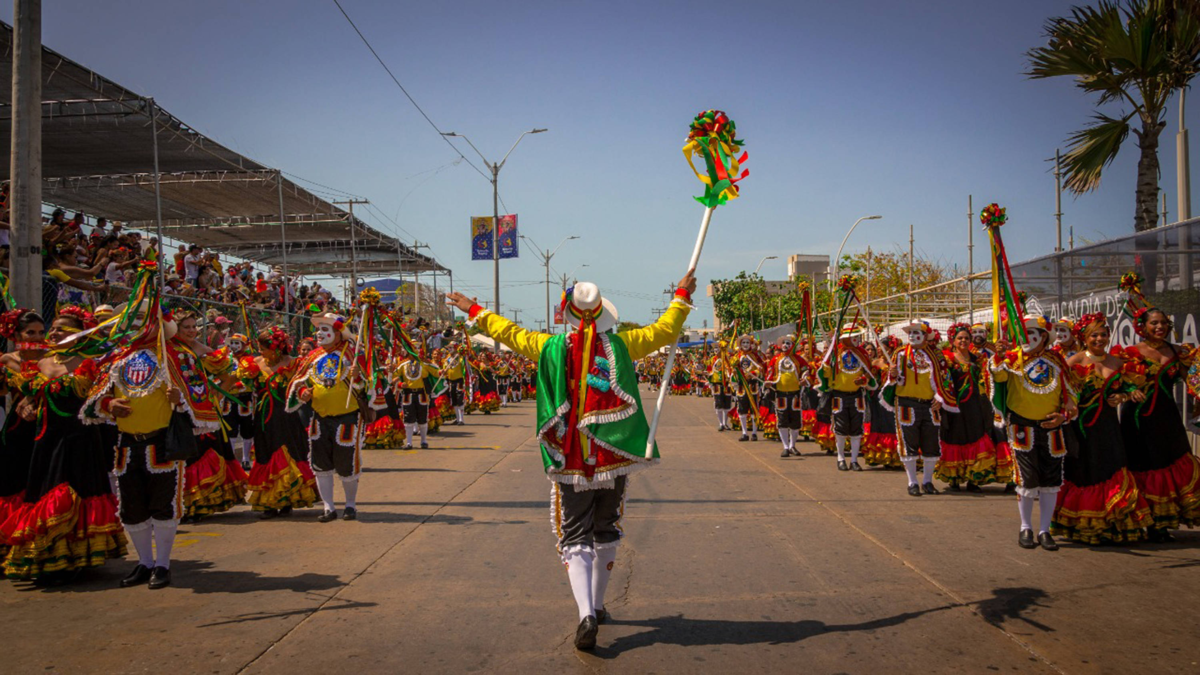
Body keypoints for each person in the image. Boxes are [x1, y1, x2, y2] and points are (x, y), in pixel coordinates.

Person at [445, 271, 694, 651]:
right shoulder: (624, 345)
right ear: (600, 312)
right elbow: (664, 330)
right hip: (612, 456)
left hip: (570, 456)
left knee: (575, 532)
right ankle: (596, 604)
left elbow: (510, 333)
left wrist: (474, 309)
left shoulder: (549, 346)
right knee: (605, 526)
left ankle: (586, 614)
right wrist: (681, 295)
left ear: (568, 314)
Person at [83, 298, 222, 589]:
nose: (135, 325)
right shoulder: (117, 359)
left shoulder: (177, 357)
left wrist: (180, 402)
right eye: (131, 319)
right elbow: (93, 402)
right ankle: (144, 562)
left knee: (163, 505)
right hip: (126, 444)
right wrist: (110, 403)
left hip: (162, 442)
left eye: (142, 319)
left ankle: (163, 564)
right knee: (132, 506)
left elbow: (201, 397)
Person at [1, 308, 127, 582]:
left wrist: (110, 404)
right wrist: (27, 402)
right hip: (46, 441)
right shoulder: (41, 363)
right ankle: (50, 556)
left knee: (77, 490)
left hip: (80, 439)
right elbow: (29, 393)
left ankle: (78, 556)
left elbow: (100, 397)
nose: (54, 333)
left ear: (79, 335)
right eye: (53, 329)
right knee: (44, 493)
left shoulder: (88, 363)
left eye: (62, 329)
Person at [1054, 314, 1152, 544]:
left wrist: (1123, 395)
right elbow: (1059, 392)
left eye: (1103, 334)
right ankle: (1084, 526)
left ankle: (1112, 524)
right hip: (1081, 428)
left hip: (1108, 428)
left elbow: (1133, 389)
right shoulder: (1074, 362)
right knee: (1084, 471)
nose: (1099, 339)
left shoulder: (1118, 363)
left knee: (1112, 469)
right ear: (1084, 338)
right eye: (1093, 335)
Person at [991, 316, 1077, 551]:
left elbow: (1071, 395)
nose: (1027, 339)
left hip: (1052, 428)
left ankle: (1045, 530)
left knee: (1051, 480)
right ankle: (1026, 527)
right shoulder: (1011, 360)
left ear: (1043, 338)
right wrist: (999, 355)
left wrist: (1064, 416)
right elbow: (997, 375)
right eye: (1024, 334)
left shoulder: (1056, 361)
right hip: (1022, 428)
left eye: (1032, 334)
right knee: (1027, 479)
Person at [1117, 301, 1200, 542]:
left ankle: (1162, 523)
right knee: (1144, 464)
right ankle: (1144, 521)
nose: (1160, 326)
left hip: (1166, 418)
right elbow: (1118, 383)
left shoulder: (1177, 352)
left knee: (1170, 462)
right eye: (1154, 323)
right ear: (1142, 326)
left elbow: (1193, 384)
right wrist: (1130, 389)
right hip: (1137, 417)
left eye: (1164, 323)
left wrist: (1198, 397)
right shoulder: (1129, 353)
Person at [286, 312, 374, 522]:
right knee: (320, 463)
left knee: (347, 463)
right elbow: (298, 382)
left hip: (347, 417)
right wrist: (302, 394)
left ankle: (350, 506)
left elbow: (368, 388)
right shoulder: (312, 356)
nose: (320, 333)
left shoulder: (351, 355)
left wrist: (358, 378)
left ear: (338, 333)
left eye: (326, 329)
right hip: (320, 417)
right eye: (319, 329)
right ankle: (328, 507)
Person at [240, 326, 317, 519]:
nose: (260, 352)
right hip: (264, 418)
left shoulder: (294, 363)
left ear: (276, 348)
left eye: (263, 348)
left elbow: (305, 384)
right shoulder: (254, 364)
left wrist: (306, 393)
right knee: (265, 455)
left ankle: (288, 500)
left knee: (291, 451)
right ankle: (269, 503)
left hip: (288, 417)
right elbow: (236, 382)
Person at [884, 320, 958, 496]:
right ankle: (912, 482)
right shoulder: (900, 354)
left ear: (925, 336)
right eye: (910, 333)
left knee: (931, 442)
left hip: (930, 404)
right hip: (906, 403)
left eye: (917, 333)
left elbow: (946, 379)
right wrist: (892, 375)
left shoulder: (937, 355)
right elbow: (894, 380)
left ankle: (927, 481)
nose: (913, 336)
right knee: (909, 442)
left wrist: (941, 398)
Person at [935, 323, 1001, 492]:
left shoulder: (977, 359)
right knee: (954, 437)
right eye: (960, 338)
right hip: (953, 406)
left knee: (976, 436)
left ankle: (974, 478)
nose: (963, 341)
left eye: (966, 338)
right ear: (953, 340)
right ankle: (954, 478)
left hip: (975, 405)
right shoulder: (946, 359)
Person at [0, 310, 46, 541]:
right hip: (18, 428)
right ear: (16, 334)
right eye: (30, 332)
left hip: (47, 426)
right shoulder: (8, 360)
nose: (37, 337)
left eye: (41, 332)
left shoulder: (54, 357)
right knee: (13, 482)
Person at [818, 324, 878, 471]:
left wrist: (863, 380)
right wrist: (826, 366)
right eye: (854, 337)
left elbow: (869, 373)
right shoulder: (835, 354)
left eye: (858, 337)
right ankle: (840, 458)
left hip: (857, 396)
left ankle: (854, 460)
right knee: (841, 427)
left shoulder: (862, 353)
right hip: (839, 396)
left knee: (857, 428)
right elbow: (825, 374)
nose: (857, 340)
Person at [765, 334, 807, 458]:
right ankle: (785, 447)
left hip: (795, 394)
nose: (785, 345)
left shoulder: (798, 359)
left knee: (795, 420)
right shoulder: (776, 359)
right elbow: (770, 372)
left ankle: (792, 445)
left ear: (793, 346)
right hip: (781, 394)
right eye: (784, 343)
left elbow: (807, 370)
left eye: (788, 343)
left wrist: (805, 379)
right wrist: (768, 382)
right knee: (782, 420)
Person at [393, 348, 439, 450]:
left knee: (422, 418)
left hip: (421, 394)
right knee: (408, 418)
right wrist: (400, 384)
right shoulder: (402, 365)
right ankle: (409, 443)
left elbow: (436, 372)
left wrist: (442, 371)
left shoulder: (424, 365)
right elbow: (393, 377)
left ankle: (424, 441)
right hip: (408, 394)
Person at [731, 335, 764, 442]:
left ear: (751, 344)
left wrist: (754, 373)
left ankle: (754, 432)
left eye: (747, 343)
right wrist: (735, 373)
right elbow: (732, 369)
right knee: (742, 409)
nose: (745, 345)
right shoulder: (737, 356)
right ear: (740, 344)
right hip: (742, 386)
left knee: (754, 408)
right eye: (743, 343)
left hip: (753, 385)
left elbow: (762, 368)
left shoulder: (755, 356)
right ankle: (744, 433)